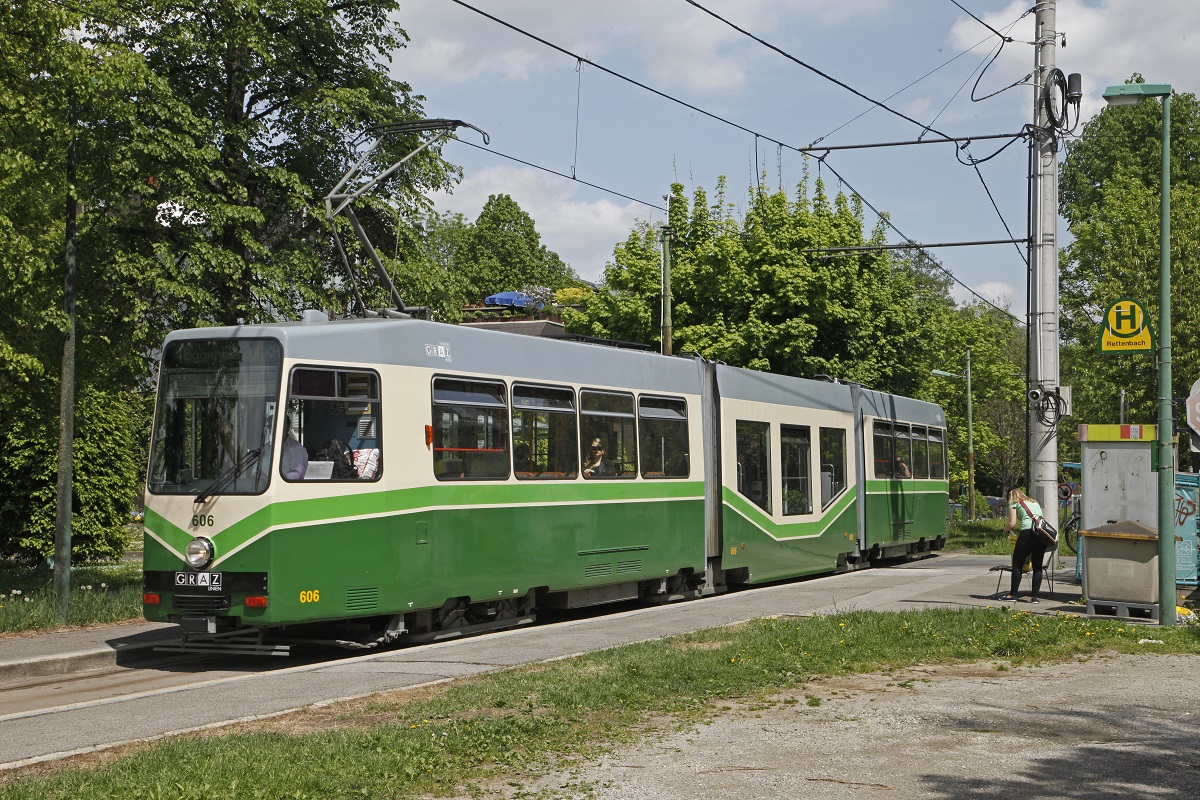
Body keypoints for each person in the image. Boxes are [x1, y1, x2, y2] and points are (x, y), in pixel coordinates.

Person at [1000, 487, 1048, 603]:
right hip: (1041, 534)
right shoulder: (1034, 502)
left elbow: (1012, 524)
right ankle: (1035, 597)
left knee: (1017, 564)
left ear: (1011, 496)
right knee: (1037, 566)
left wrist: (1004, 530)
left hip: (1027, 533)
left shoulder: (1014, 502)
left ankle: (1013, 595)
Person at [281, 415, 308, 480]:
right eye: (269, 427)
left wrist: (280, 480)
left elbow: (299, 473)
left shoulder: (296, 448)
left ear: (286, 428)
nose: (271, 430)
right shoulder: (267, 447)